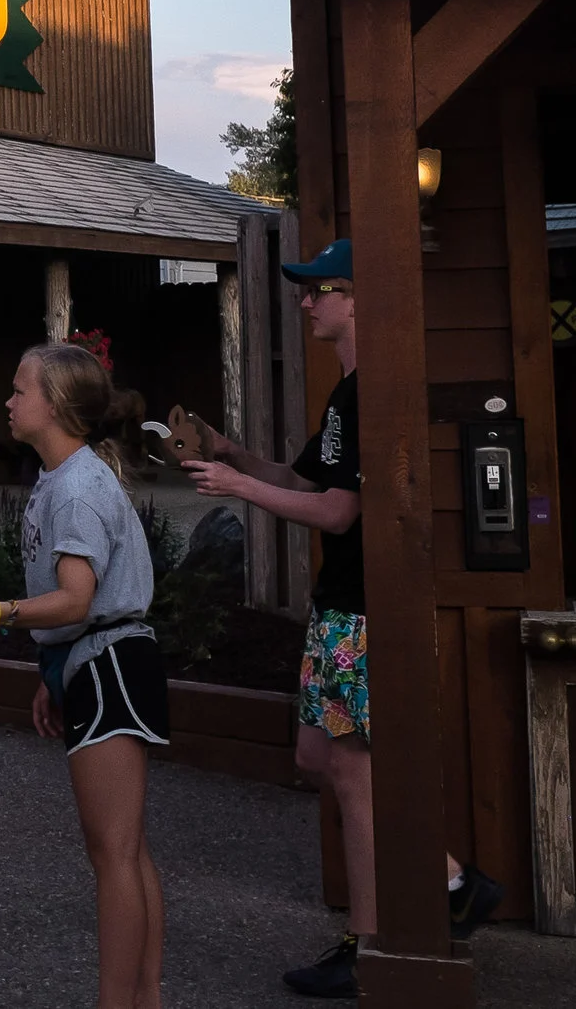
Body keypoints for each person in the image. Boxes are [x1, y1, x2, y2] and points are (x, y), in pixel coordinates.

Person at [174, 238, 502, 997]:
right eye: (306, 288)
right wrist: (231, 452)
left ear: (357, 301)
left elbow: (337, 510)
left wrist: (235, 487)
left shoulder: (372, 390)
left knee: (353, 771)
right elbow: (301, 478)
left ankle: (371, 942)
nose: (306, 300)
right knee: (318, 756)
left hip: (363, 609)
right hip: (339, 611)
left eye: (320, 288)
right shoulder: (344, 392)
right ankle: (454, 884)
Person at [0, 344, 167, 1009]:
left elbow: (75, 596)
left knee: (114, 854)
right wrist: (51, 669)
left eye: (19, 390)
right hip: (98, 661)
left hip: (111, 663)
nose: (8, 401)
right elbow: (74, 612)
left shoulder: (78, 487)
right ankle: (145, 998)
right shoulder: (62, 478)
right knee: (128, 849)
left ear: (56, 405)